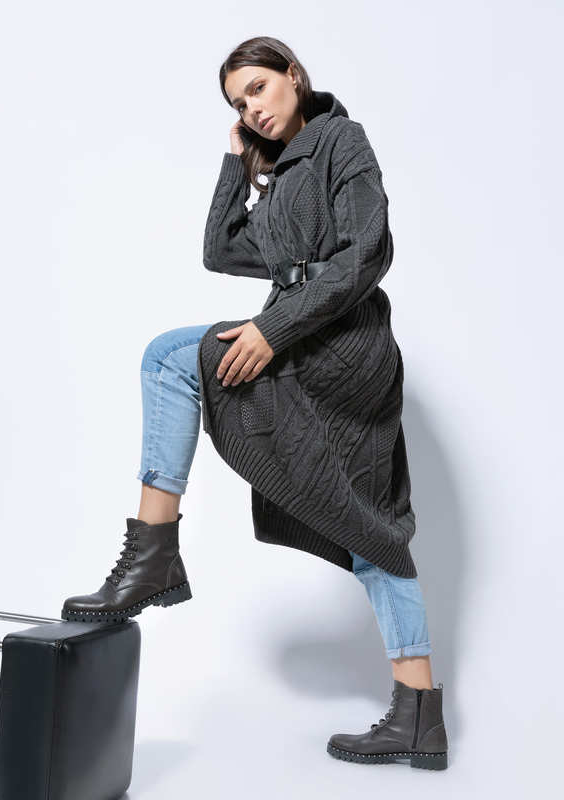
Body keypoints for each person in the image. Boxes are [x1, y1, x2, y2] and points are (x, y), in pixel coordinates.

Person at [61, 36, 449, 770]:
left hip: (345, 348)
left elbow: (367, 253)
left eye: (259, 89)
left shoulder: (340, 141)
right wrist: (235, 163)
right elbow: (220, 250)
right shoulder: (276, 174)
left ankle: (153, 555)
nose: (253, 109)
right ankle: (419, 716)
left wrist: (273, 330)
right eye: (240, 104)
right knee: (368, 526)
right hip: (305, 338)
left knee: (170, 357)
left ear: (293, 75)